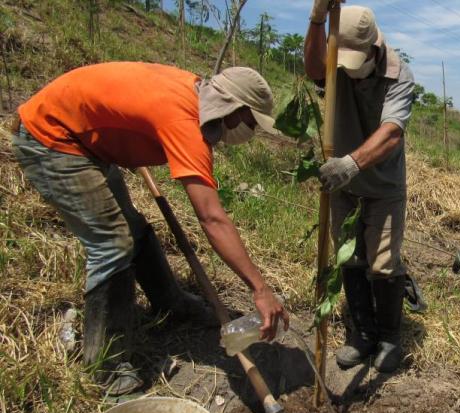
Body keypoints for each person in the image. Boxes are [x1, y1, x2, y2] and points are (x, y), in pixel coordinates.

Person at [10, 62, 289, 395]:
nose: (250, 132)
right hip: (52, 138)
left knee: (133, 229)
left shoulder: (194, 94)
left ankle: (171, 304)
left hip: (84, 136)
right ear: (229, 107)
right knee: (112, 243)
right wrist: (260, 288)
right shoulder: (183, 120)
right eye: (249, 122)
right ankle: (106, 369)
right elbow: (211, 218)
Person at [305, 3, 414, 373]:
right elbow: (313, 69)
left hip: (381, 184)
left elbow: (391, 135)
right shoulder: (335, 59)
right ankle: (362, 334)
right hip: (342, 186)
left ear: (373, 49)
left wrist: (350, 165)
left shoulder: (399, 75)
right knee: (349, 257)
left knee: (383, 263)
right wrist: (317, 20)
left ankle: (389, 337)